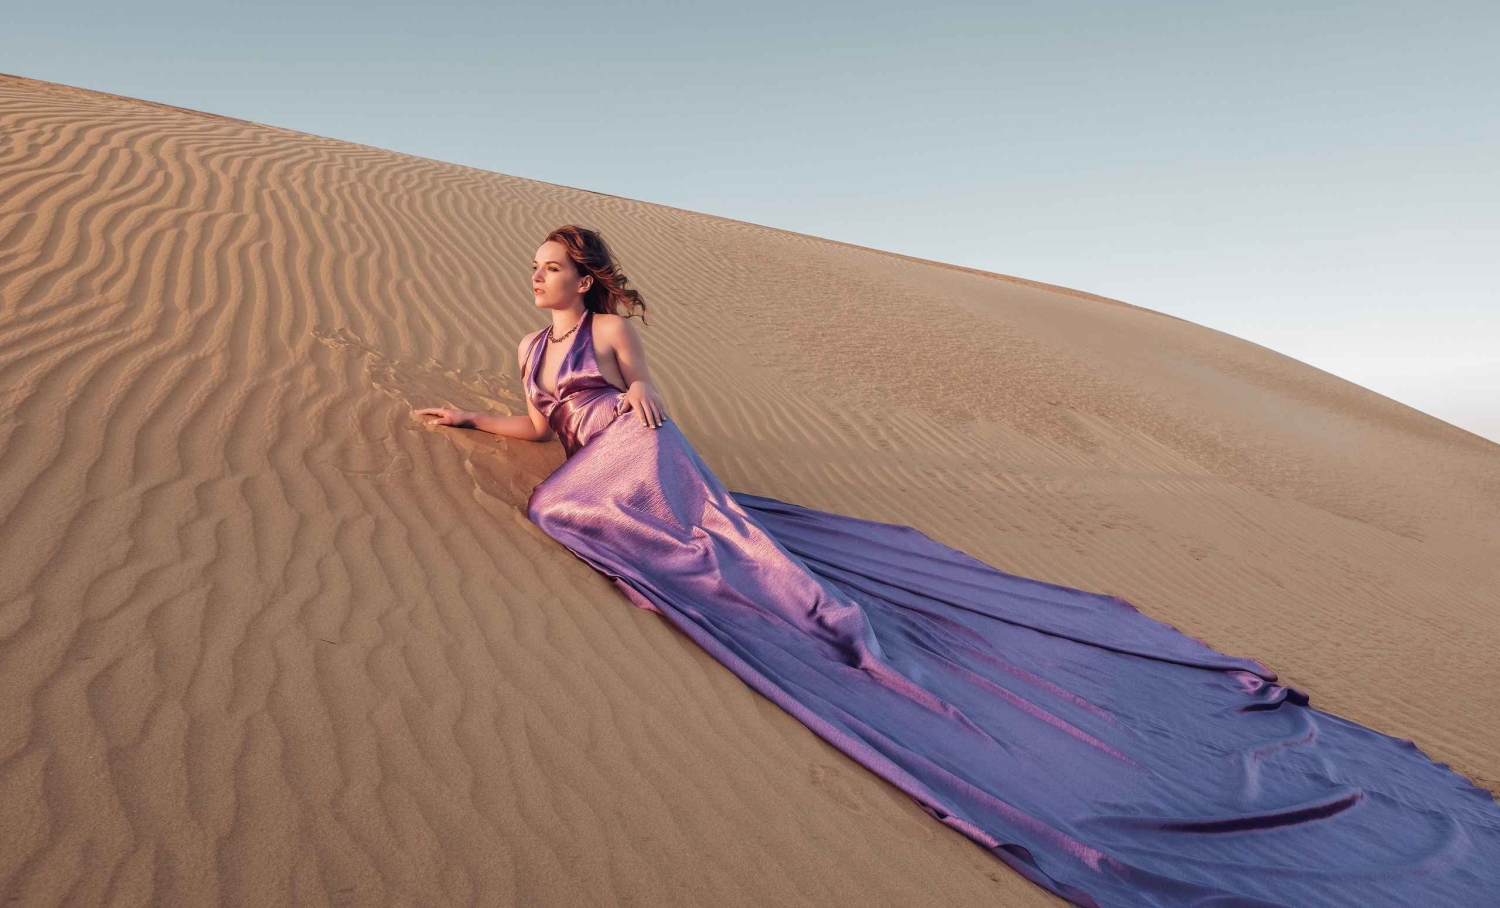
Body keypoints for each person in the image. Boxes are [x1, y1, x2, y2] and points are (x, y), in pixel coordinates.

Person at [413, 225, 1500, 908]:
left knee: (601, 514)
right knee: (566, 500)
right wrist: (476, 416)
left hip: (640, 456)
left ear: (589, 276)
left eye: (557, 267)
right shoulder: (526, 344)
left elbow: (640, 401)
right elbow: (537, 419)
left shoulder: (609, 331)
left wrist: (641, 407)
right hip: (589, 463)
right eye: (540, 270)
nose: (543, 279)